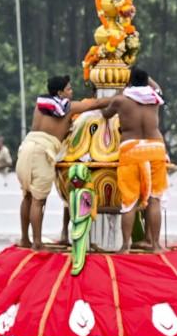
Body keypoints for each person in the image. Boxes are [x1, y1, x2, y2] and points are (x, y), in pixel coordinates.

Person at [17, 75, 110, 249]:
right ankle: (37, 243)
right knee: (39, 201)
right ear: (60, 93)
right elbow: (96, 104)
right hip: (42, 152)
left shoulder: (40, 106)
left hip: (25, 149)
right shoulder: (69, 108)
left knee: (27, 196)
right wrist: (118, 97)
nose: (71, 91)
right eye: (68, 89)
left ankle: (25, 239)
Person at [102, 68, 168, 252]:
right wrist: (147, 77)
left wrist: (120, 88)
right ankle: (155, 245)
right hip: (155, 149)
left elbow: (105, 114)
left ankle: (125, 246)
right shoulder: (154, 98)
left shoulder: (121, 100)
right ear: (147, 82)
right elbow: (159, 88)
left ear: (129, 82)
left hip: (131, 150)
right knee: (155, 199)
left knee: (129, 201)